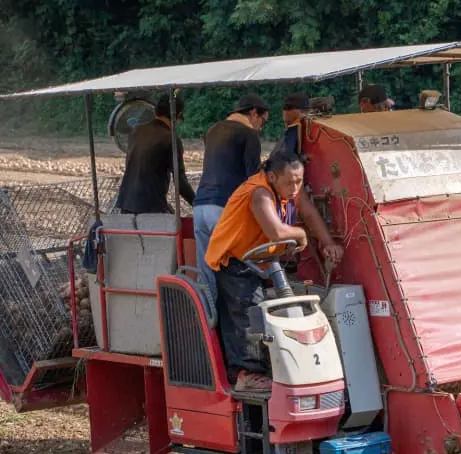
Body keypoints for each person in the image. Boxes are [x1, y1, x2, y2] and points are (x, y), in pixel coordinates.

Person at [204, 149, 344, 393]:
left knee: (279, 309)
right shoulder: (259, 194)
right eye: (289, 182)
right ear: (271, 177)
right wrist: (300, 234)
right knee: (249, 314)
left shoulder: (290, 191)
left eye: (299, 181)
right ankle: (245, 374)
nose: (294, 187)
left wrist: (328, 242)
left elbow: (309, 213)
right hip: (236, 261)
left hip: (262, 260)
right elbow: (277, 233)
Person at [193, 93, 270, 320]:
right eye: (262, 121)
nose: (260, 127)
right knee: (238, 271)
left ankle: (208, 324)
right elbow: (253, 180)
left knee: (206, 272)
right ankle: (237, 325)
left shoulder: (213, 130)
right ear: (254, 113)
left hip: (200, 208)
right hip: (224, 210)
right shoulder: (248, 135)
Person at [113, 92, 194, 214]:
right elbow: (180, 183)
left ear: (155, 111)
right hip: (151, 207)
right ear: (178, 116)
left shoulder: (135, 132)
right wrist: (197, 203)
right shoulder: (171, 139)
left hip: (125, 203)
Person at [273, 92, 310, 157]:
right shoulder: (293, 128)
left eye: (287, 108)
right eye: (285, 108)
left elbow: (285, 153)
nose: (284, 112)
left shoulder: (293, 128)